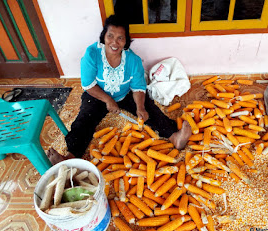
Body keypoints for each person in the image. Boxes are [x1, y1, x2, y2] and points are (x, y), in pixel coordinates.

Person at [47, 15, 191, 164]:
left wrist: (140, 107)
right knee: (84, 119)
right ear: (104, 36)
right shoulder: (92, 54)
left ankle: (175, 137)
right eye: (110, 36)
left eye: (120, 38)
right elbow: (88, 84)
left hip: (125, 94)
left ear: (126, 41)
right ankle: (70, 158)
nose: (114, 42)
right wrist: (108, 100)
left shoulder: (133, 60)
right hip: (97, 95)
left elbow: (138, 87)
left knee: (149, 110)